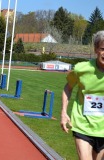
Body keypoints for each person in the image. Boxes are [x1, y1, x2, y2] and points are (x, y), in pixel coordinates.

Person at [61, 30, 104, 160]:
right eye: (103, 49)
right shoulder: (81, 69)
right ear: (96, 49)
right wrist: (64, 112)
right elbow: (68, 88)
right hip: (82, 126)